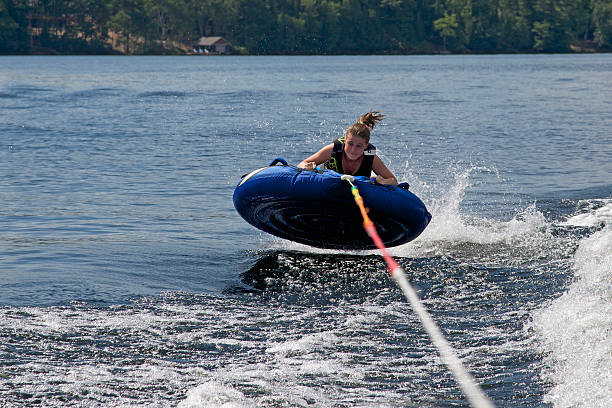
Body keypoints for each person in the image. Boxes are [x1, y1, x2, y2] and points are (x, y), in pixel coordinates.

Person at [297, 111, 398, 185]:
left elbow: (393, 181)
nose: (353, 150)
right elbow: (302, 164)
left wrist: (383, 181)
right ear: (345, 141)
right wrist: (306, 167)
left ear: (365, 146)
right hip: (327, 182)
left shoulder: (371, 157)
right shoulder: (334, 149)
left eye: (359, 146)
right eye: (350, 144)